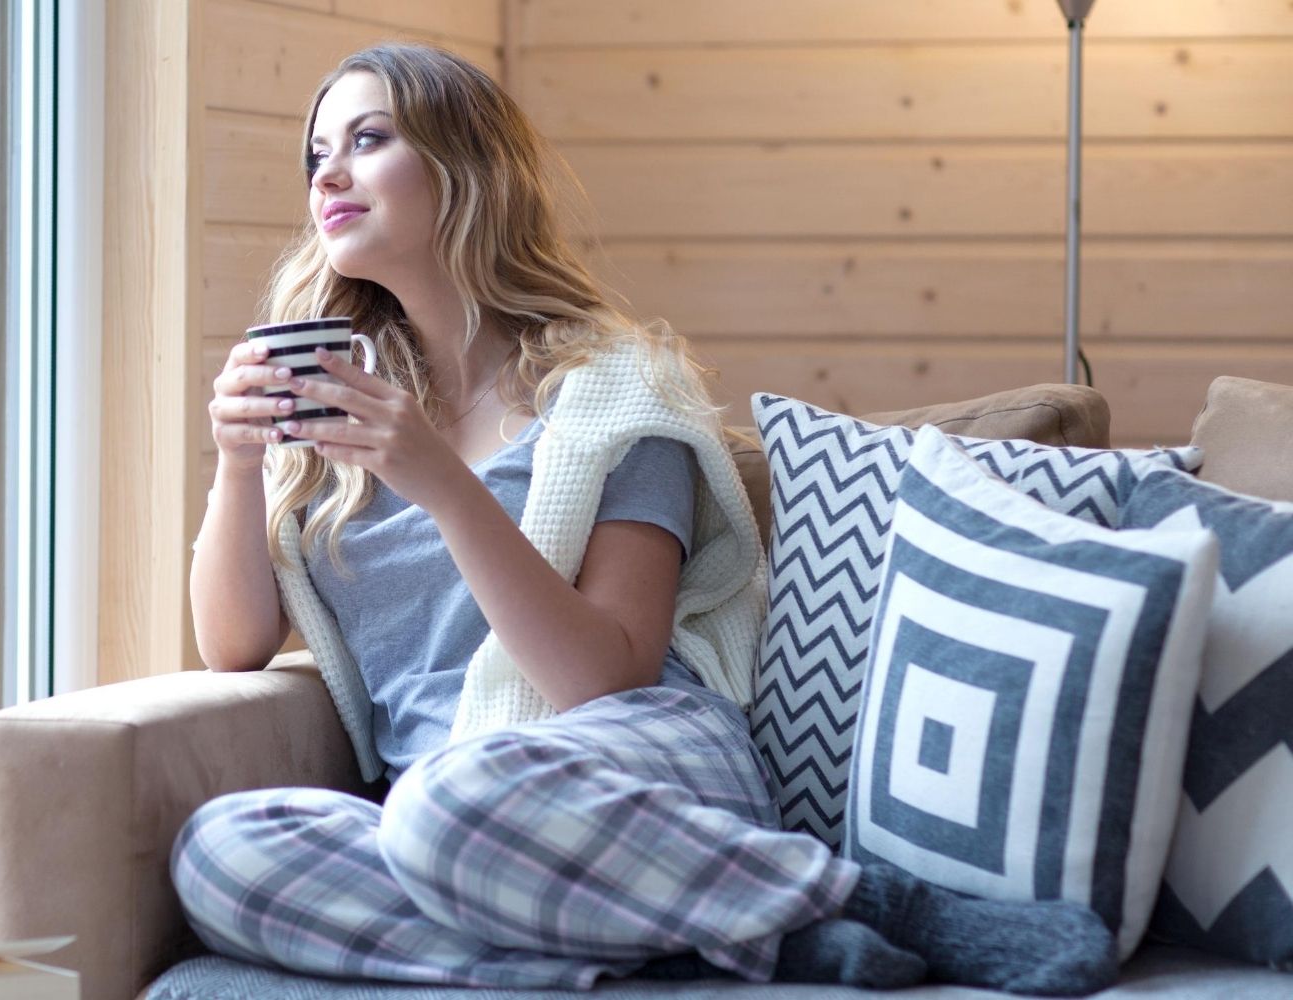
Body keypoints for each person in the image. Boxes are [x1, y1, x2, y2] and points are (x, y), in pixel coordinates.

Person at [172, 43, 1118, 995]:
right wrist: (241, 461)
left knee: (448, 803)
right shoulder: (339, 411)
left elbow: (602, 676)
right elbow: (234, 645)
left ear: (465, 171)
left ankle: (872, 901)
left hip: (637, 762)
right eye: (315, 155)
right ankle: (727, 940)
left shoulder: (613, 391)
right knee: (220, 850)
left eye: (368, 140)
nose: (327, 173)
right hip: (462, 817)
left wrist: (442, 483)